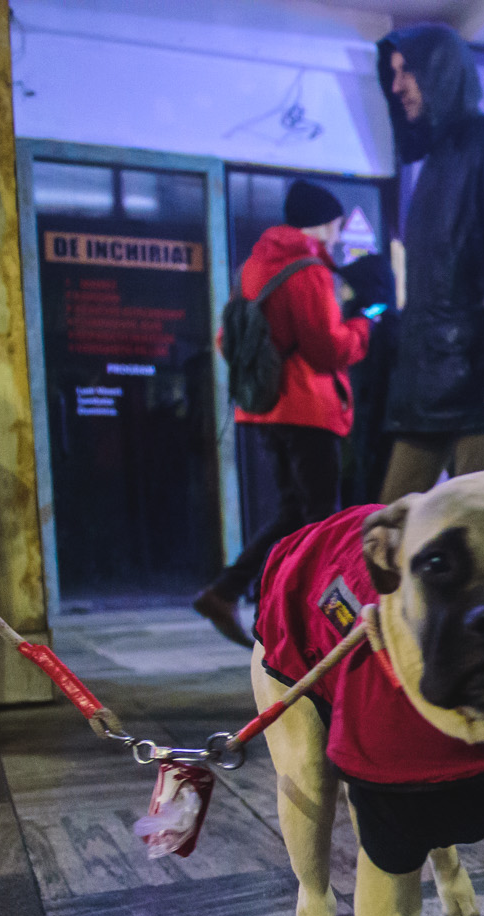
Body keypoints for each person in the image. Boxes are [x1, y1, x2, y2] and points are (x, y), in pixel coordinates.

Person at [375, 23, 484, 502]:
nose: (396, 86)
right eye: (391, 74)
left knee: (483, 542)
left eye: (406, 71)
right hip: (432, 383)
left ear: (438, 72)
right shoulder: (438, 159)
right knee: (388, 538)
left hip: (480, 392)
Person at [193, 181, 371, 647]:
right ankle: (321, 616)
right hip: (308, 409)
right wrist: (362, 326)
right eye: (335, 225)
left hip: (265, 409)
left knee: (295, 509)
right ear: (328, 222)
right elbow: (327, 349)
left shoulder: (253, 267)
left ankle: (231, 590)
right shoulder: (308, 268)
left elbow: (225, 338)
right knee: (320, 517)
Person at [338, 251, 398, 506]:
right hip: (360, 428)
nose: (342, 294)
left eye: (349, 288)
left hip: (371, 428)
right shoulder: (361, 323)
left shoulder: (376, 326)